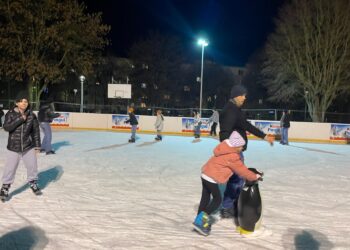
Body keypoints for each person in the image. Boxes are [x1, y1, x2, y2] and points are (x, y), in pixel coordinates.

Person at [219, 85, 274, 220]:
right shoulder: (230, 110)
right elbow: (224, 132)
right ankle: (227, 208)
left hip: (236, 151)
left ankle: (231, 205)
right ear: (236, 95)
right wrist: (229, 151)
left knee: (237, 179)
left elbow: (246, 125)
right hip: (233, 152)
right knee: (236, 179)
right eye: (243, 95)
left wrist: (264, 136)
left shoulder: (235, 109)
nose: (245, 97)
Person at [193, 131, 262, 236]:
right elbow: (241, 170)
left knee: (205, 198)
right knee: (217, 200)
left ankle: (199, 221)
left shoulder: (224, 148)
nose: (242, 148)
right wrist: (254, 176)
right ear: (235, 146)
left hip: (205, 174)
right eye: (241, 146)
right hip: (211, 178)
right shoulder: (233, 156)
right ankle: (200, 222)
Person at [0, 92, 42, 201]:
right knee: (10, 168)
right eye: (21, 101)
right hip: (14, 146)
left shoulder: (32, 115)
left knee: (32, 166)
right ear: (17, 103)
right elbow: (6, 127)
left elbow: (36, 132)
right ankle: (5, 187)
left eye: (26, 101)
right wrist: (20, 119)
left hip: (28, 146)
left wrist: (37, 146)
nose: (24, 103)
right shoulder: (10, 113)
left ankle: (33, 182)